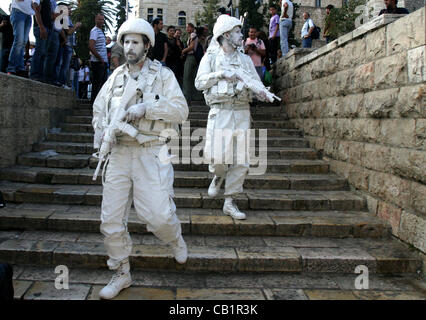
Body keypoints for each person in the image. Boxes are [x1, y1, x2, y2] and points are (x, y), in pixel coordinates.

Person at [92, 17, 189, 300]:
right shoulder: (114, 79)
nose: (130, 47)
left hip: (150, 151)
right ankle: (121, 272)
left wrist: (147, 108)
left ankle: (174, 237)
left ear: (147, 45)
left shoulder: (163, 75)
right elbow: (99, 111)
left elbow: (180, 110)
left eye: (136, 42)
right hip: (119, 153)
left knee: (158, 216)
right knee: (110, 220)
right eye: (126, 42)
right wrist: (102, 136)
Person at [195, 15, 274, 221]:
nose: (242, 36)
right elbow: (199, 82)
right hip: (220, 110)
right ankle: (219, 174)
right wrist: (220, 75)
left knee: (241, 160)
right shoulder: (211, 58)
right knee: (217, 156)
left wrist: (262, 93)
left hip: (241, 111)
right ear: (227, 35)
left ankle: (230, 201)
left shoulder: (246, 60)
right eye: (238, 32)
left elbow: (256, 85)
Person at [6, 0, 34, 76]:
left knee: (23, 42)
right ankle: (11, 68)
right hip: (18, 12)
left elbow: (36, 6)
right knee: (19, 41)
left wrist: (35, 4)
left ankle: (19, 68)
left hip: (28, 15)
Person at [57, 5, 81, 88]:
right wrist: (76, 26)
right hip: (66, 46)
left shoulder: (68, 19)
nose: (71, 10)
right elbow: (69, 32)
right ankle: (61, 83)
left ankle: (63, 82)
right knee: (64, 65)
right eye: (69, 9)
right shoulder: (64, 18)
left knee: (65, 66)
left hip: (69, 46)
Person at [89, 13, 108, 103]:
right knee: (97, 84)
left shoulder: (101, 31)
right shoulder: (95, 31)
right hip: (97, 62)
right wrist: (100, 58)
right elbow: (91, 46)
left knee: (103, 83)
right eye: (100, 19)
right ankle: (94, 103)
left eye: (103, 20)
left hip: (102, 62)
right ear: (95, 20)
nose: (101, 21)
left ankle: (99, 103)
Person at [182, 23, 198, 105]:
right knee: (192, 77)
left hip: (191, 57)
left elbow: (191, 47)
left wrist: (183, 51)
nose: (187, 29)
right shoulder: (193, 35)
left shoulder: (193, 35)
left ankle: (186, 97)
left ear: (192, 28)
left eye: (188, 27)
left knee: (187, 78)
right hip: (193, 57)